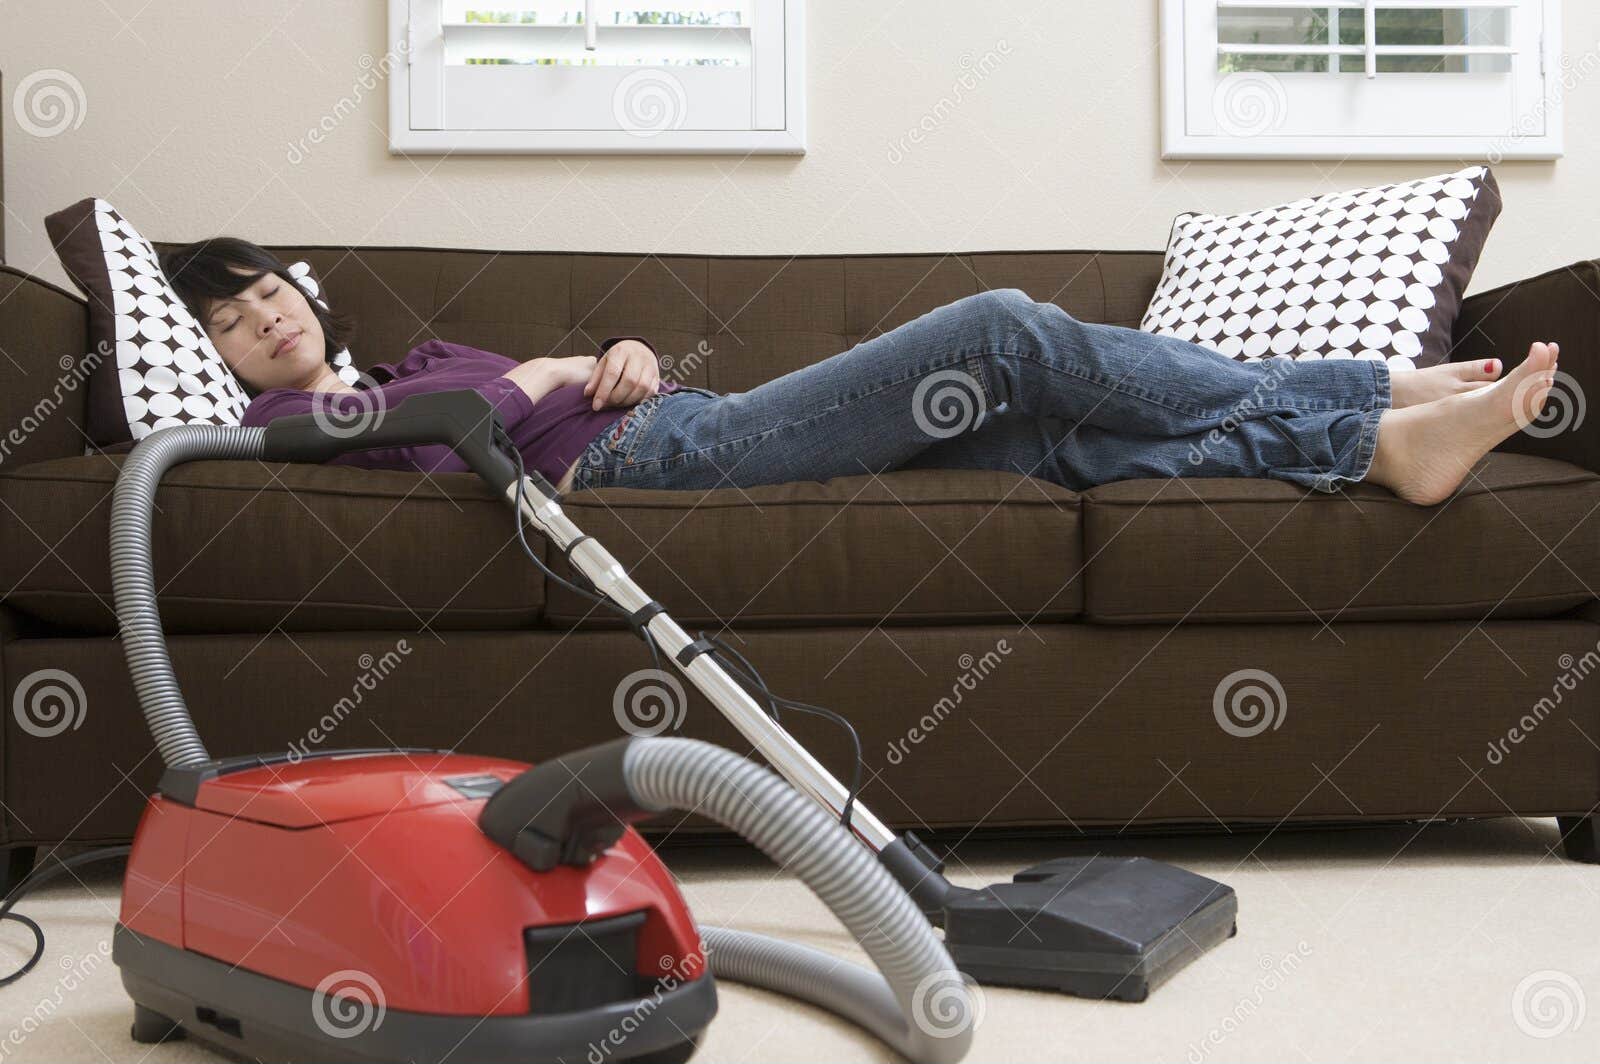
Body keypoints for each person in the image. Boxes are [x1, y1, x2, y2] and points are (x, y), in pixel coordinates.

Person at [162, 238, 1557, 507]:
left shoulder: (407, 355)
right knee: (1003, 328)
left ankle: (1369, 444)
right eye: (230, 321)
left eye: (271, 292)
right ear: (222, 359)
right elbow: (472, 420)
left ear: (311, 291)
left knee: (1052, 440)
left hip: (675, 418)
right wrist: (552, 366)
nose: (263, 321)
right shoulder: (293, 421)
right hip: (650, 468)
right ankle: (1361, 391)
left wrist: (612, 353)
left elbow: (544, 380)